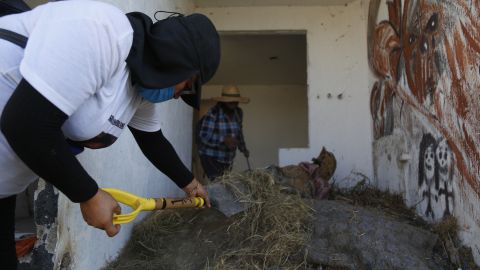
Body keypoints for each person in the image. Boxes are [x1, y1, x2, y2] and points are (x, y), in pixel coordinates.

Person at [0, 1, 220, 268]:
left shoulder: (138, 93)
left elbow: (153, 141)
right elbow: (26, 123)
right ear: (178, 62)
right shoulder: (104, 31)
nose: (177, 96)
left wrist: (190, 184)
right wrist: (88, 194)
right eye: (186, 87)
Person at [197, 85, 250, 180]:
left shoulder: (238, 113)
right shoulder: (213, 113)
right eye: (230, 102)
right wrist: (223, 140)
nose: (234, 105)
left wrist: (243, 148)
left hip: (228, 158)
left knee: (224, 184)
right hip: (211, 157)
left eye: (235, 102)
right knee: (218, 184)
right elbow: (203, 137)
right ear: (224, 101)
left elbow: (239, 132)